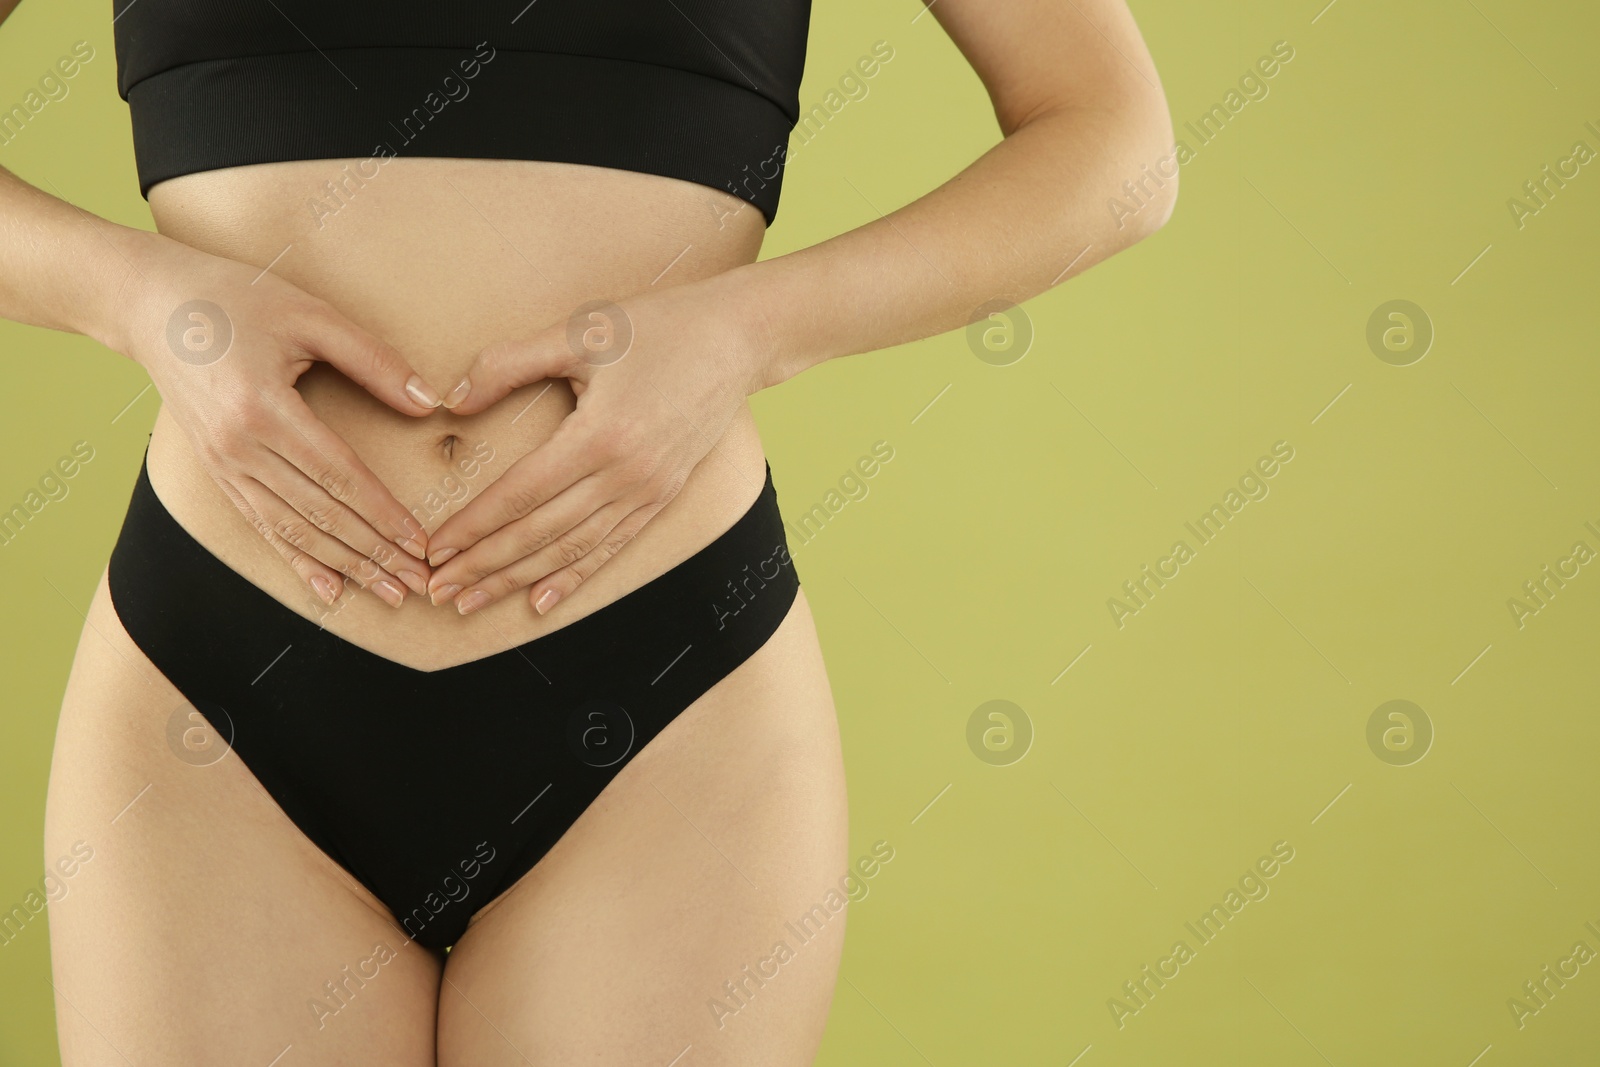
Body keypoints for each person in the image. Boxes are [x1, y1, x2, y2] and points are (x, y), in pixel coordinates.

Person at [2, 0, 1175, 1062]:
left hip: (666, 701)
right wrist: (137, 299)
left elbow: (1115, 142)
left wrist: (745, 332)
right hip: (220, 692)